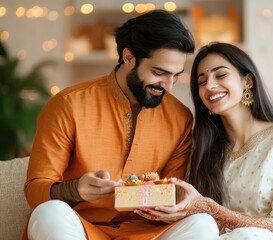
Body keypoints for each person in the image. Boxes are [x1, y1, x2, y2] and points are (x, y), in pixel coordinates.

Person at [23, 10, 220, 240]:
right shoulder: (68, 104)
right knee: (48, 213)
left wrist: (172, 203)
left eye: (176, 76)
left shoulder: (180, 117)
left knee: (203, 224)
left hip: (148, 233)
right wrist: (75, 190)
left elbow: (171, 193)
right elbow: (35, 190)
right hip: (81, 229)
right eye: (159, 73)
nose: (168, 86)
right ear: (128, 58)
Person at [134, 42, 273, 240]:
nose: (210, 86)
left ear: (247, 81)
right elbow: (192, 215)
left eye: (220, 75)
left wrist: (211, 209)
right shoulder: (203, 145)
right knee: (200, 225)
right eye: (202, 81)